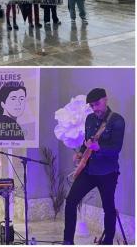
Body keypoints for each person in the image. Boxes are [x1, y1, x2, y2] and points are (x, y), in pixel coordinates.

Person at [63, 88, 124, 245]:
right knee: (70, 201)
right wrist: (81, 152)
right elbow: (88, 140)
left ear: (106, 100)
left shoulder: (117, 120)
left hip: (108, 172)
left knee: (108, 208)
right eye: (91, 106)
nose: (94, 108)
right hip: (89, 170)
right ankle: (68, 241)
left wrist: (99, 148)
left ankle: (108, 241)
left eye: (97, 104)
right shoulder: (89, 119)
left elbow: (116, 148)